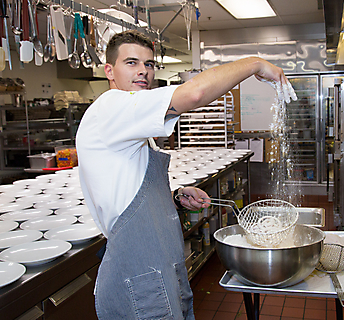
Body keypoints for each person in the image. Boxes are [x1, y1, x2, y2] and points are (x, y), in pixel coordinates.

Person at [76, 30, 297, 320]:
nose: (143, 71)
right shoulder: (110, 106)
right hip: (139, 279)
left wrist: (175, 198)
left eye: (149, 64)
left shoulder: (132, 125)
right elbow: (194, 94)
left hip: (160, 270)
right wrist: (255, 64)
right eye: (131, 62)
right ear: (110, 70)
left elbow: (126, 192)